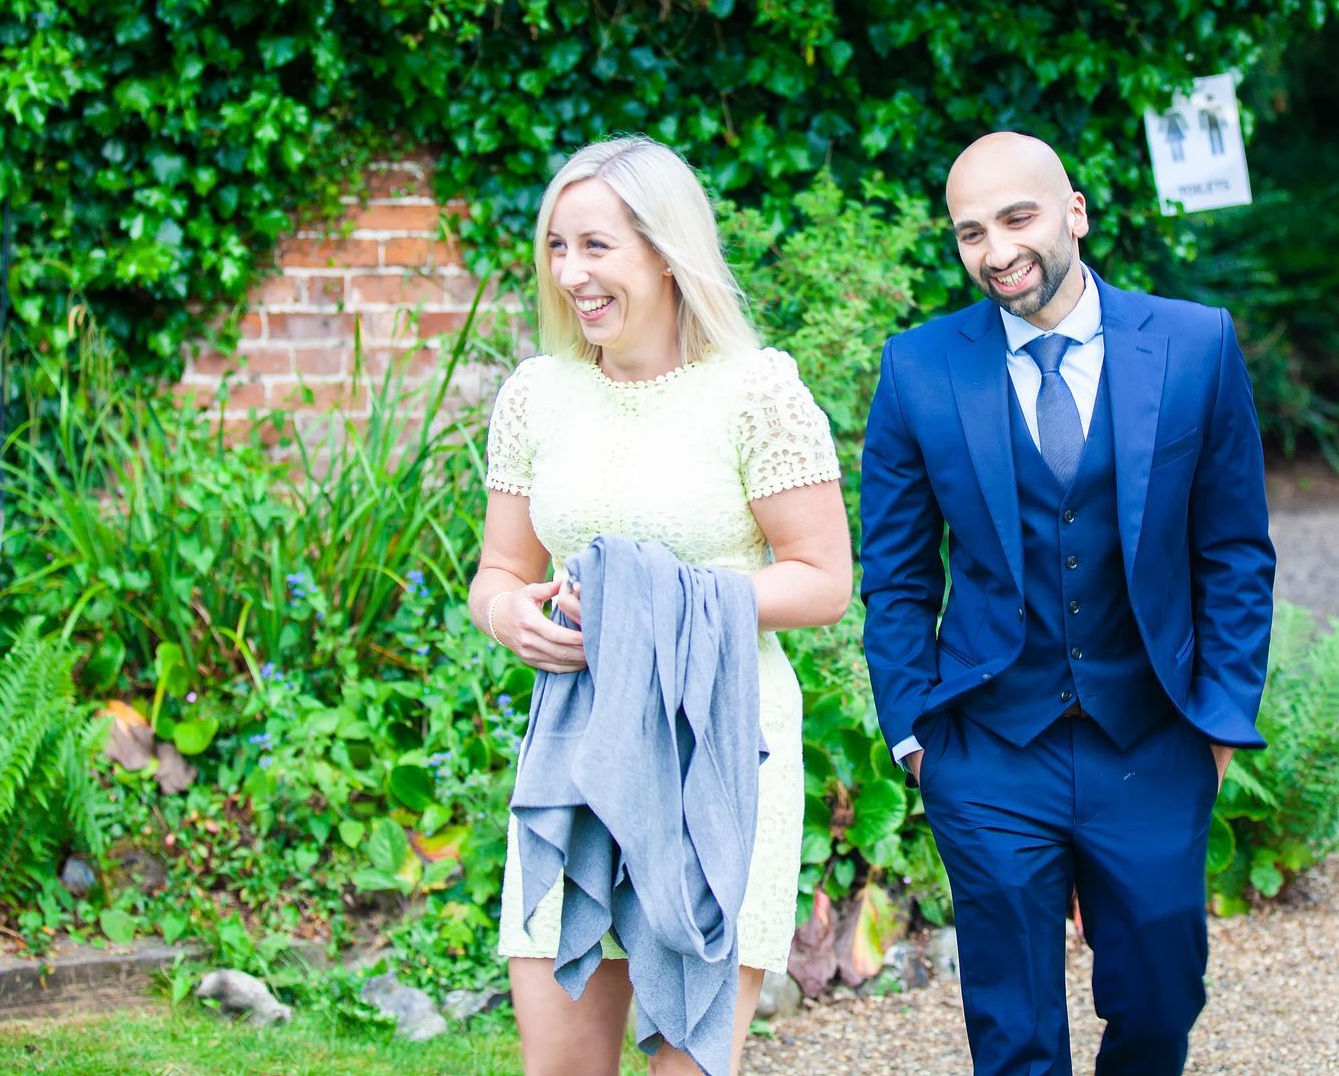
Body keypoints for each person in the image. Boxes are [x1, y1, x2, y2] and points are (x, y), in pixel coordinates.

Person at [859, 131, 1276, 1075]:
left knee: (1161, 1005)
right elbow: (896, 573)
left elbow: (1236, 551)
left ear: (1074, 213)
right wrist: (915, 736)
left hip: (1154, 738)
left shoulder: (1194, 344)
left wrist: (1218, 721)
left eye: (1018, 218)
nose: (998, 250)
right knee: (1014, 1036)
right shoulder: (918, 369)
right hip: (990, 749)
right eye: (971, 231)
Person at [469, 135, 852, 1076]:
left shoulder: (757, 393)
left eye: (597, 247)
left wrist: (649, 614)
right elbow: (499, 570)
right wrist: (506, 614)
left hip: (721, 752)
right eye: (558, 247)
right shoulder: (536, 396)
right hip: (576, 757)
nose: (571, 275)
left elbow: (822, 580)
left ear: (666, 250)